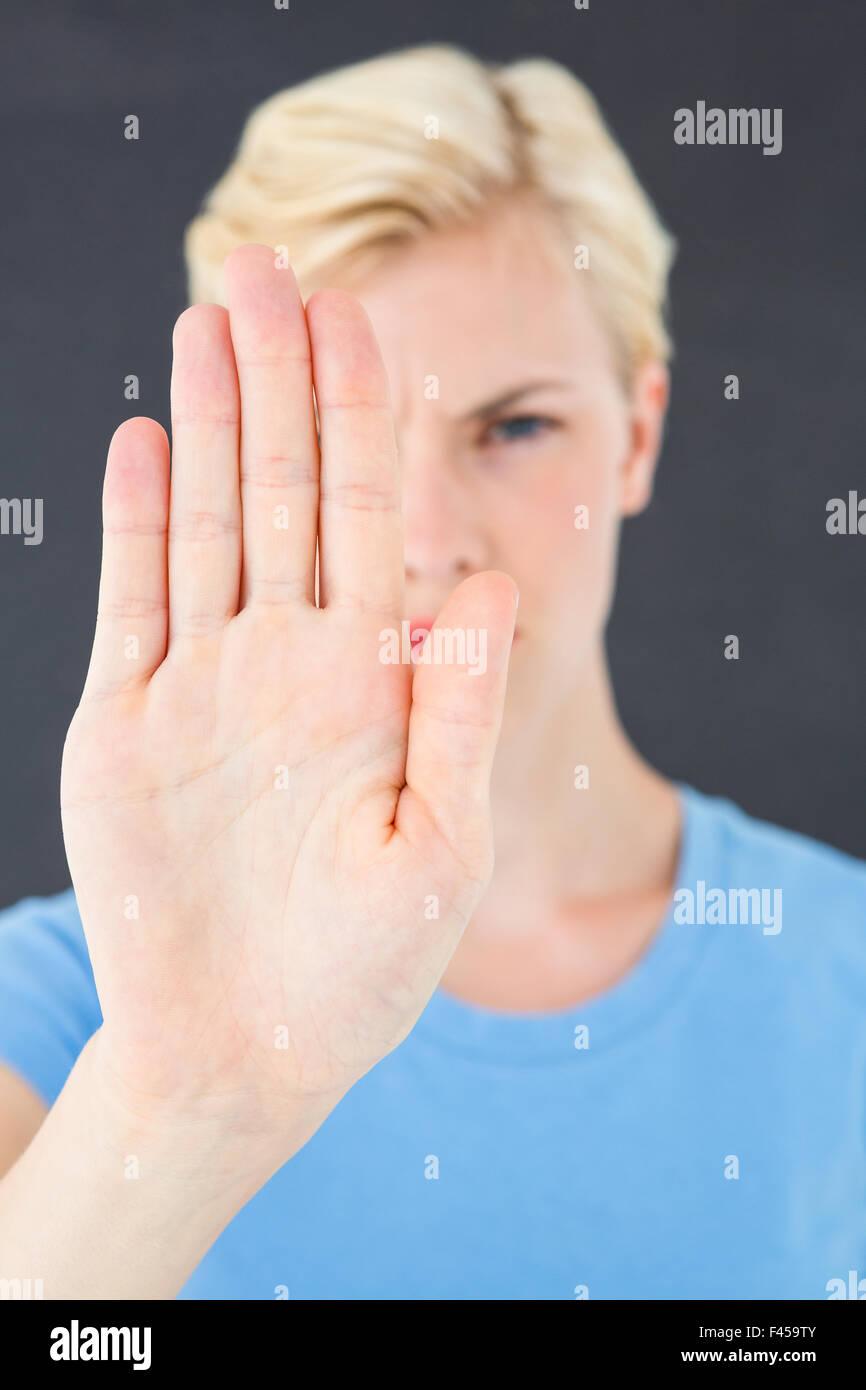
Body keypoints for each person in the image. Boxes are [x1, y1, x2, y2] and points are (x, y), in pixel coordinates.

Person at [0, 43, 863, 1301]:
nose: (428, 538)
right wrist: (182, 1101)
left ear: (639, 430)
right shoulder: (71, 999)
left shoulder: (841, 970)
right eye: (342, 437)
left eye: (515, 427)